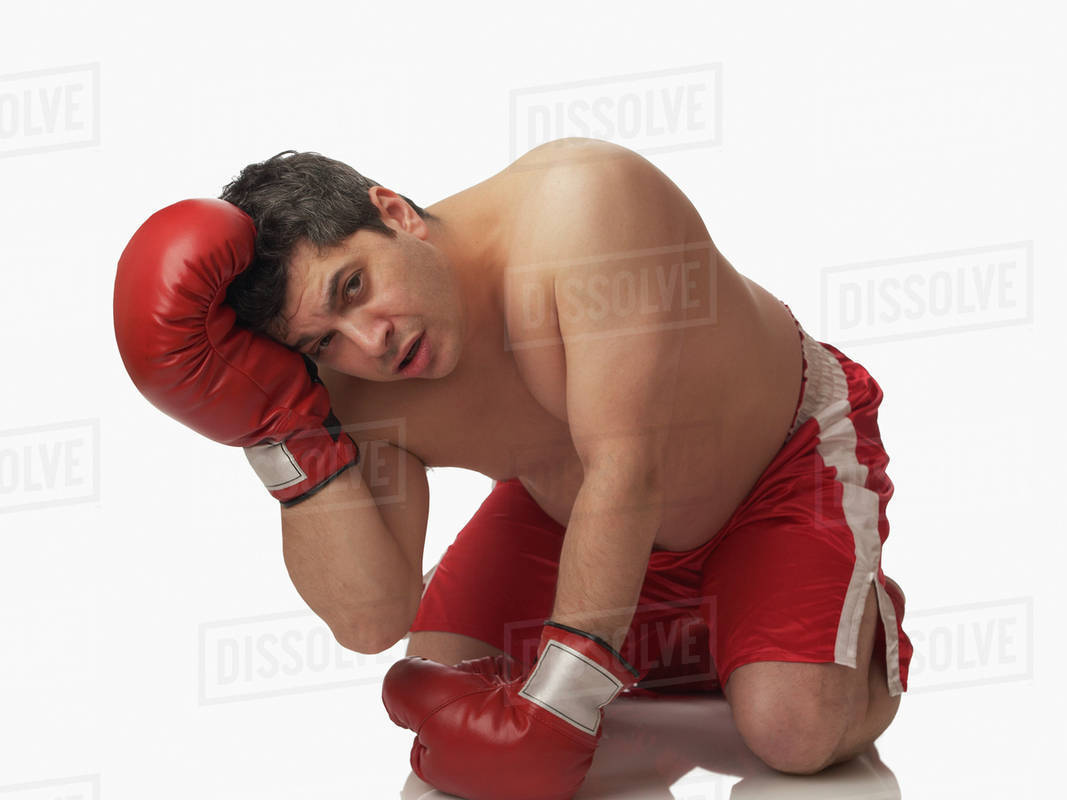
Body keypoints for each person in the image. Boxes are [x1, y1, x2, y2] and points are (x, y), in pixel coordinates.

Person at [113, 137, 913, 798]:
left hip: (772, 467)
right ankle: (684, 636)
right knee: (442, 674)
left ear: (392, 212)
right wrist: (278, 435)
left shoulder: (582, 209)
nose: (371, 342)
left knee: (795, 732)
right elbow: (371, 619)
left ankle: (839, 623)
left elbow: (627, 468)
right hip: (566, 502)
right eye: (325, 339)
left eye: (355, 286)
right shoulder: (348, 383)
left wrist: (563, 702)